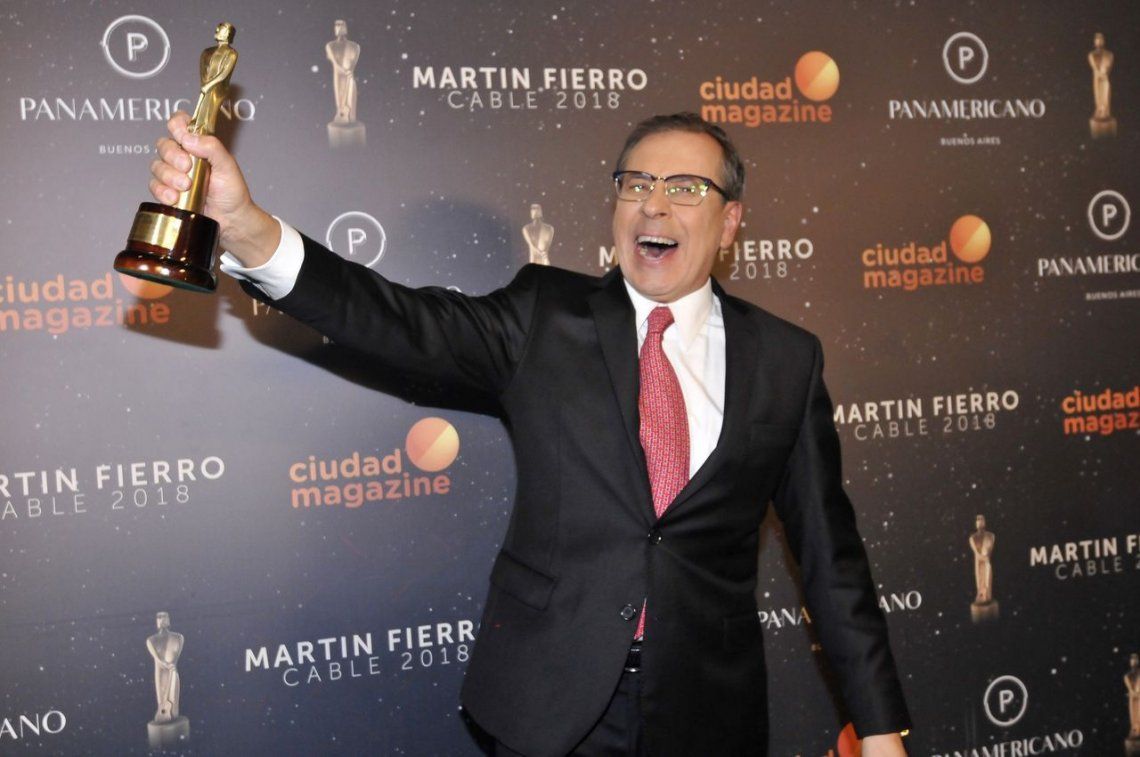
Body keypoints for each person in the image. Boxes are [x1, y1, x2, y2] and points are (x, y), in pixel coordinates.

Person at [149, 110, 911, 756]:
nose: (654, 206)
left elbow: (831, 560)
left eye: (685, 188)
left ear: (731, 219)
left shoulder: (786, 359)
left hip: (708, 713)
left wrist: (879, 729)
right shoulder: (545, 314)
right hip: (550, 708)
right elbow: (397, 321)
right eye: (636, 184)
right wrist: (247, 228)